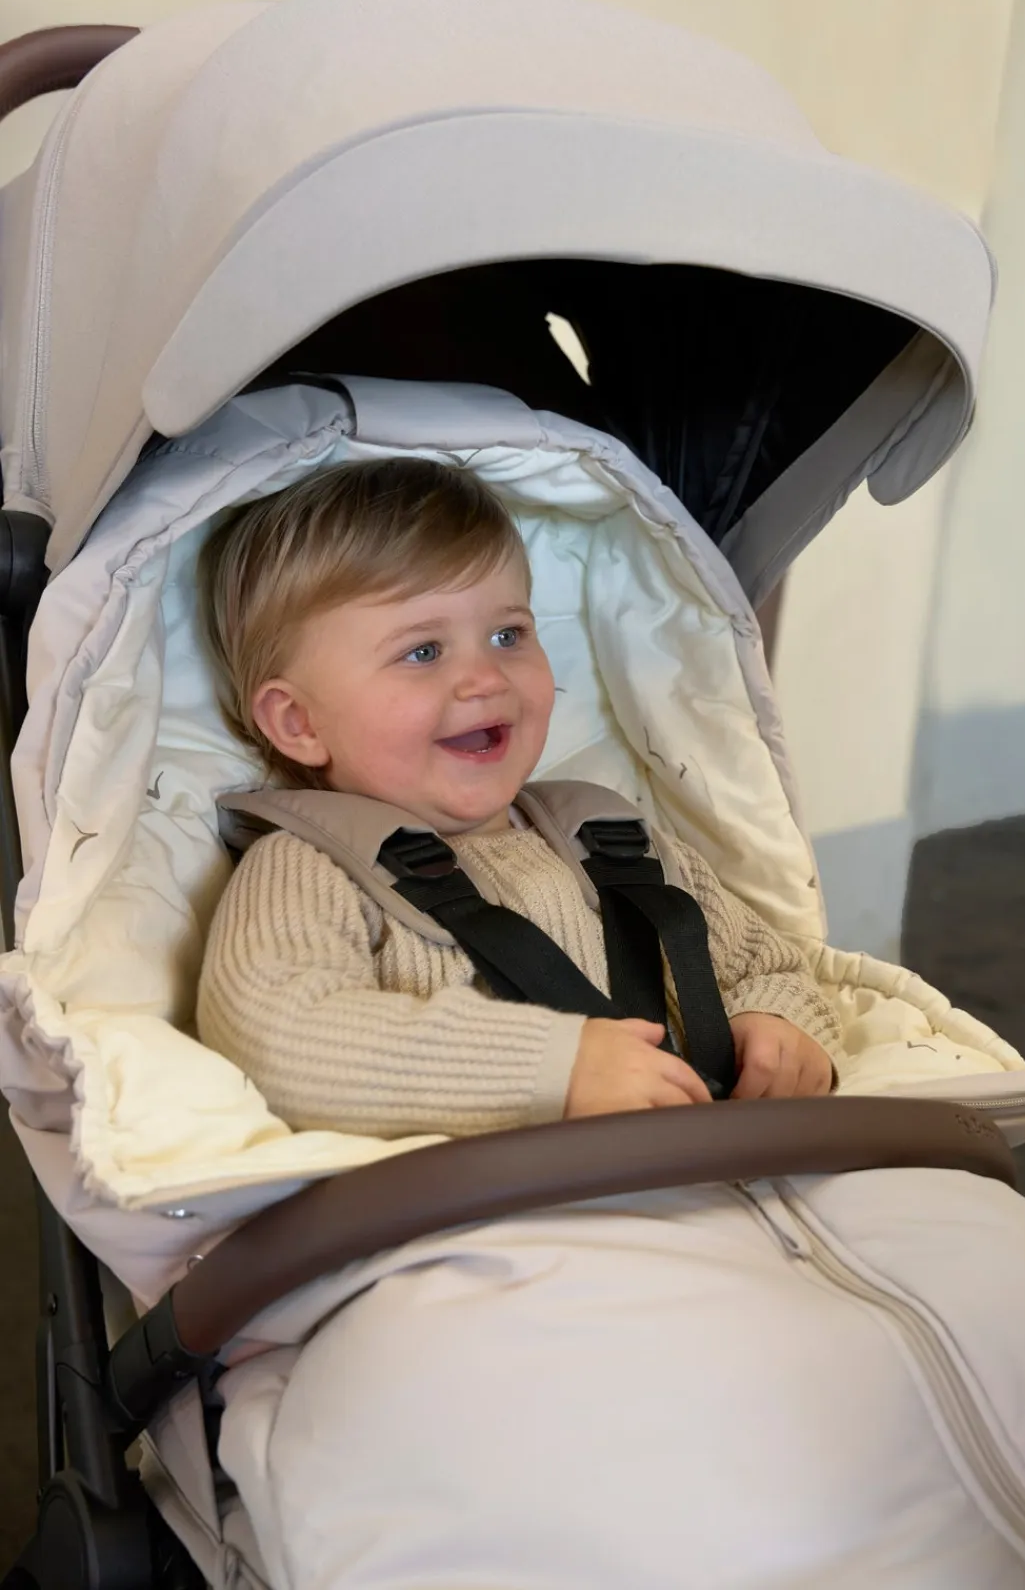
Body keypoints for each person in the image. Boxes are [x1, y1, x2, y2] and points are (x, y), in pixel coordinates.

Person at [196, 457, 841, 1138]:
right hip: (513, 1194)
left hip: (717, 1161)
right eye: (423, 652)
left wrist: (778, 1024)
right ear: (299, 723)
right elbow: (278, 1036)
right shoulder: (309, 869)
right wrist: (547, 1070)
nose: (485, 678)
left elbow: (766, 962)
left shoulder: (614, 839)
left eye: (507, 636)